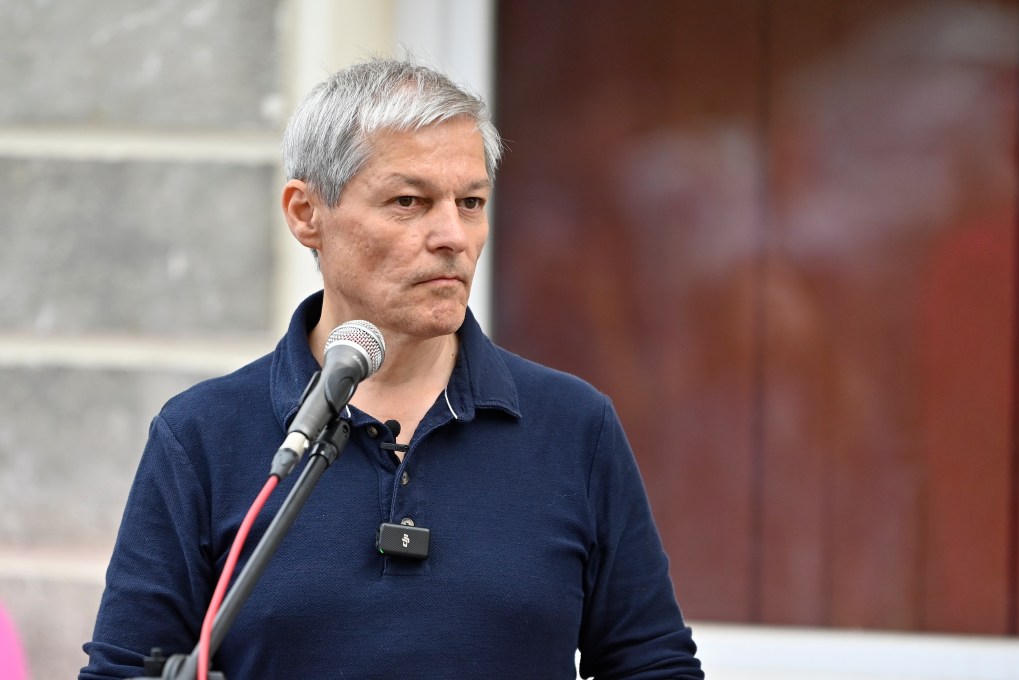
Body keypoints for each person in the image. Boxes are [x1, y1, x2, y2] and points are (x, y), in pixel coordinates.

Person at [80, 57, 703, 679]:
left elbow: (652, 665)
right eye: (409, 201)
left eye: (471, 202)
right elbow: (125, 669)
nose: (452, 235)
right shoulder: (203, 434)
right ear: (305, 213)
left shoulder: (574, 427)